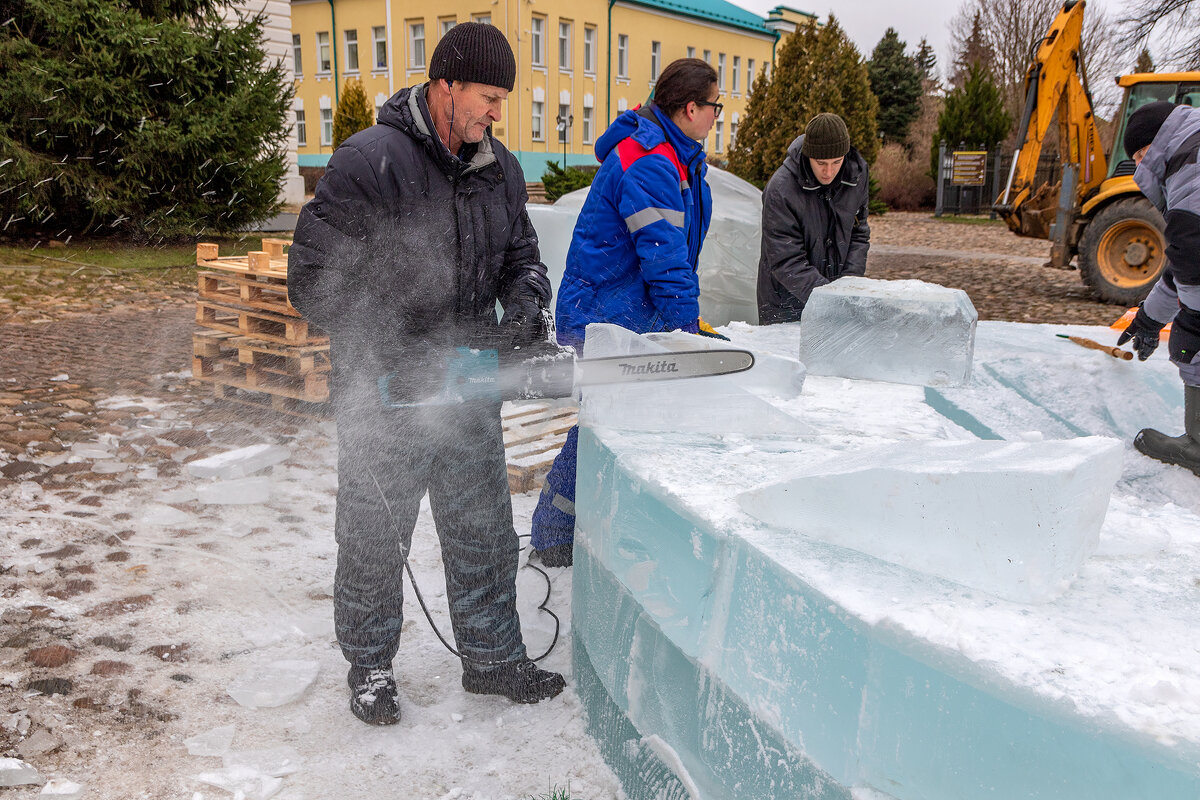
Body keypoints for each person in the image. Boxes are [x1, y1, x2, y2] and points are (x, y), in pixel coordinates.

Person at [287, 22, 565, 726]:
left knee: (483, 533)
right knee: (376, 539)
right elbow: (312, 280)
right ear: (444, 87)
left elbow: (521, 257)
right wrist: (395, 345)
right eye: (487, 96)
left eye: (502, 98)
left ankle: (494, 657)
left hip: (467, 385)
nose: (496, 112)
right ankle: (372, 667)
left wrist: (528, 303)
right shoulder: (369, 161)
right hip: (387, 391)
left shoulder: (499, 168)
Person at [529, 58, 723, 567]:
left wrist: (684, 323)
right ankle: (554, 532)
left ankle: (575, 526)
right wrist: (686, 333)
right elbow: (664, 255)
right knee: (605, 422)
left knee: (616, 420)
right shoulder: (651, 160)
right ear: (689, 107)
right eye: (714, 107)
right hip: (605, 314)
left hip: (628, 310)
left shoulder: (678, 157)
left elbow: (675, 254)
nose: (716, 117)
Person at [1114, 100, 1200, 475]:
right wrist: (1150, 319)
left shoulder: (1189, 170)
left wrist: (1193, 323)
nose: (1139, 165)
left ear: (1151, 147)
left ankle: (1198, 444)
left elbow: (1193, 258)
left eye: (1137, 156)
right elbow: (1183, 266)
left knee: (1191, 339)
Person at [756, 112, 871, 324]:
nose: (828, 172)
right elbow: (785, 260)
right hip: (785, 303)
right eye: (821, 163)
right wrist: (829, 298)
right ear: (808, 156)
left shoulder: (857, 176)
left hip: (837, 298)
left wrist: (847, 285)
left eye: (836, 162)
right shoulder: (781, 189)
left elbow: (859, 234)